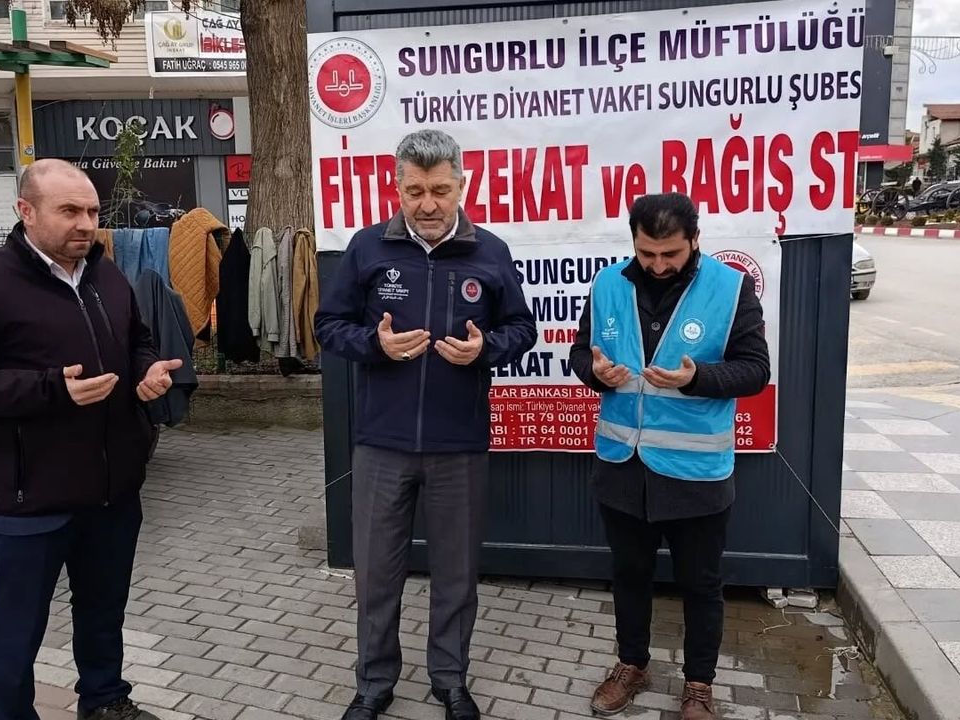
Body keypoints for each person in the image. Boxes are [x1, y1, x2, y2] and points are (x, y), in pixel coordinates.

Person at [0, 159, 182, 720]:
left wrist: (145, 372)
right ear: (26, 211)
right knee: (16, 632)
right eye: (69, 211)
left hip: (112, 493)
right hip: (26, 501)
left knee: (103, 613)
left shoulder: (107, 276)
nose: (85, 223)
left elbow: (138, 338)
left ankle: (105, 702)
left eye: (91, 210)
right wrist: (48, 389)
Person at [314, 129, 537, 720]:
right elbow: (328, 326)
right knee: (375, 574)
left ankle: (450, 680)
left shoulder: (489, 251)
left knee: (457, 575)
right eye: (415, 190)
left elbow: (522, 329)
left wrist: (486, 347)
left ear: (462, 185)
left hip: (458, 444)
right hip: (381, 443)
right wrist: (375, 345)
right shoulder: (366, 248)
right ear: (397, 187)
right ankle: (373, 683)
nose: (428, 204)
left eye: (440, 189)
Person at [568, 193, 771, 720]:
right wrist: (595, 373)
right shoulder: (608, 283)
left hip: (695, 473)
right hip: (621, 467)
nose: (658, 266)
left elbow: (754, 371)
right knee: (629, 575)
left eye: (671, 254)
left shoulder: (730, 289)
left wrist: (697, 378)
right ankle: (631, 666)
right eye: (647, 253)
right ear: (633, 241)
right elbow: (579, 353)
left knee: (701, 585)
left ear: (695, 241)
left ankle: (699, 685)